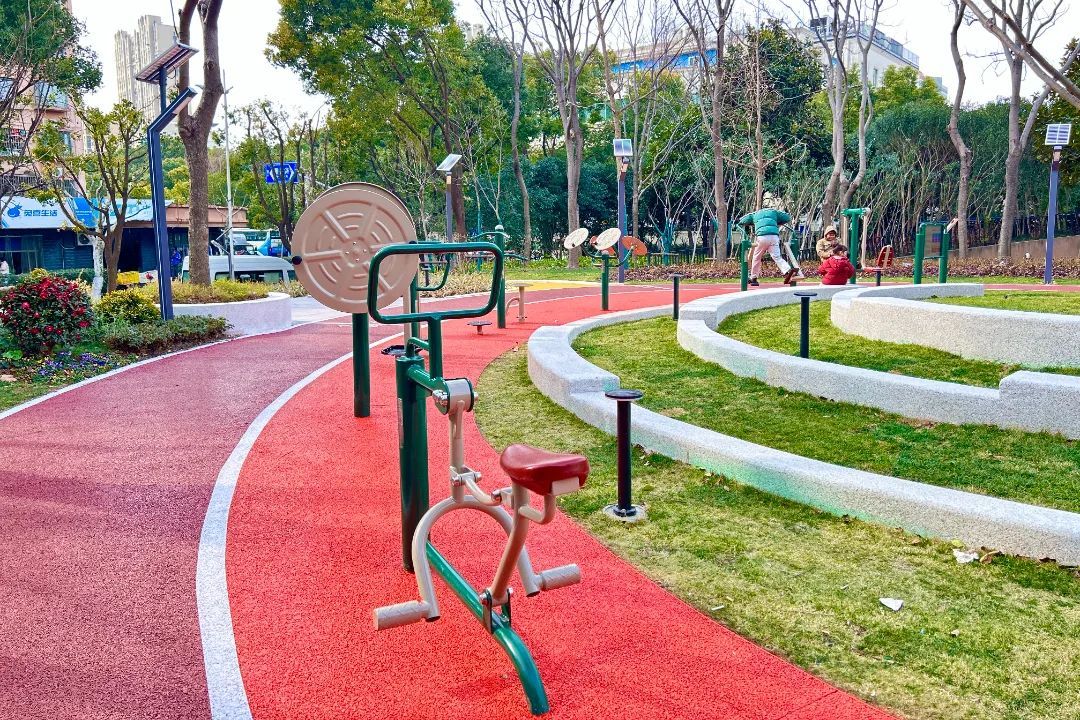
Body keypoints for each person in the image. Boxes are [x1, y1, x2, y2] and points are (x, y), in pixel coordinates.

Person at [737, 203, 795, 286]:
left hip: (762, 237)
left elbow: (743, 220)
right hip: (774, 237)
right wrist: (778, 222)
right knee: (777, 257)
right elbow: (787, 217)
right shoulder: (774, 212)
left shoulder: (755, 214)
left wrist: (751, 223)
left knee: (756, 257)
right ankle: (788, 270)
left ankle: (754, 278)